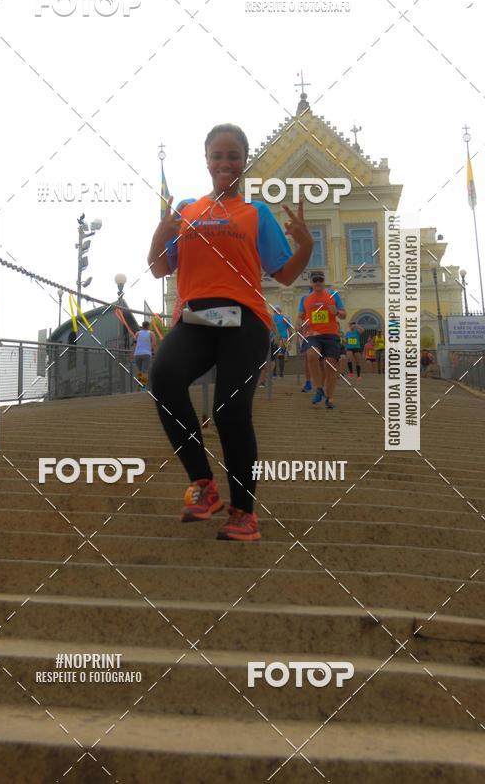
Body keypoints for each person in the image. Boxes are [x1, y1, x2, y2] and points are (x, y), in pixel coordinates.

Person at [147, 123, 313, 541]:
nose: (225, 163)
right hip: (197, 319)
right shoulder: (186, 208)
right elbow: (159, 269)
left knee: (228, 410)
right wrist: (159, 236)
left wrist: (306, 247)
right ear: (206, 161)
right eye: (217, 156)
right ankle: (203, 486)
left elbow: (285, 274)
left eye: (233, 156)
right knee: (164, 377)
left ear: (244, 162)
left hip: (247, 320)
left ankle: (244, 513)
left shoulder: (256, 213)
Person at [297, 272, 346, 409]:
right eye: (315, 280)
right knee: (311, 354)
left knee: (330, 365)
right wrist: (300, 323)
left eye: (320, 280)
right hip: (313, 334)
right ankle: (319, 389)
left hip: (331, 335)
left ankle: (329, 398)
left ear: (324, 281)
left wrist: (336, 312)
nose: (318, 282)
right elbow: (300, 317)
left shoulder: (333, 295)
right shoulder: (305, 298)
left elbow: (343, 314)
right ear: (311, 283)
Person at [131, 321, 156, 390]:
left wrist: (132, 354)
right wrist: (152, 351)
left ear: (142, 326)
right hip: (147, 354)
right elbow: (154, 343)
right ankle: (143, 386)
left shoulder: (137, 333)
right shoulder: (151, 333)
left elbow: (134, 344)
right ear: (148, 326)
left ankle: (139, 384)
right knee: (145, 371)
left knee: (139, 370)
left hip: (137, 354)